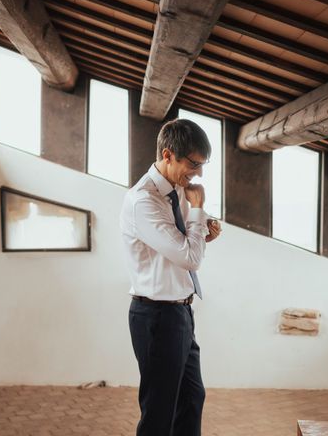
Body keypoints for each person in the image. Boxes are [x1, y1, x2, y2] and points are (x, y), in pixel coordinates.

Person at [120, 118, 221, 436]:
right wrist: (199, 213)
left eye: (203, 165)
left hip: (180, 312)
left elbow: (181, 249)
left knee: (192, 399)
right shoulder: (143, 201)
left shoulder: (179, 191)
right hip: (156, 316)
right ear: (168, 155)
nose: (199, 174)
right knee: (159, 413)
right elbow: (189, 258)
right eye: (193, 164)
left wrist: (202, 230)